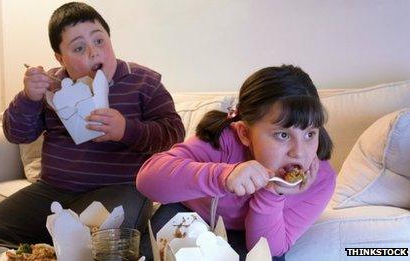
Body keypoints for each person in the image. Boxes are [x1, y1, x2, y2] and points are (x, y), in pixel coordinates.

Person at [0, 2, 185, 246]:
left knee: (95, 245)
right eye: (78, 47)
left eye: (99, 41)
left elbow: (173, 133)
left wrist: (125, 130)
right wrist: (28, 98)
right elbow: (18, 134)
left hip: (120, 189)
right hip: (52, 191)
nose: (93, 52)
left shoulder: (144, 83)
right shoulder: (52, 87)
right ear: (60, 57)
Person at [137, 65, 336, 259]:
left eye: (310, 134)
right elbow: (147, 181)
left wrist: (272, 194)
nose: (299, 152)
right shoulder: (223, 141)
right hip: (189, 215)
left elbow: (270, 248)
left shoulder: (321, 180)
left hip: (249, 234)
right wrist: (222, 176)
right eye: (283, 135)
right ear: (245, 133)